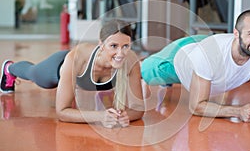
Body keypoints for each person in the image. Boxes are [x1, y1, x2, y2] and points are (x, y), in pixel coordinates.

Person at [0, 19, 144, 128]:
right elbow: (62, 112)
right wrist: (100, 116)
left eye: (125, 46)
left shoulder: (130, 61)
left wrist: (125, 117)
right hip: (58, 66)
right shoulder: (77, 58)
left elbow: (138, 109)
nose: (120, 53)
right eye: (113, 46)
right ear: (101, 44)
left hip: (78, 75)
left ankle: (69, 89)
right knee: (33, 74)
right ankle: (10, 68)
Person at [141, 9, 250, 123]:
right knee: (142, 71)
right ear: (236, 33)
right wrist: (238, 111)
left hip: (205, 46)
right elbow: (196, 106)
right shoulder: (208, 55)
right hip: (178, 56)